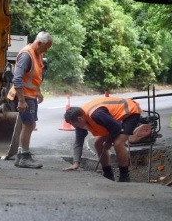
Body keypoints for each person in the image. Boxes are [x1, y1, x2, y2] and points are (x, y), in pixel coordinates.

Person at [62, 96, 143, 182]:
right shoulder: (81, 119)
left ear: (79, 119)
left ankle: (124, 176)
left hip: (130, 112)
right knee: (98, 143)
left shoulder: (96, 115)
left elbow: (117, 128)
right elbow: (78, 142)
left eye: (74, 124)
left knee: (118, 143)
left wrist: (108, 142)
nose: (75, 127)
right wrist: (76, 162)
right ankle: (108, 174)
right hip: (113, 121)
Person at [11, 31, 52, 168]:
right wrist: (21, 100)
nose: (45, 51)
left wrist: (38, 92)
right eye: (45, 48)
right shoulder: (26, 56)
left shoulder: (38, 54)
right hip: (25, 96)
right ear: (39, 43)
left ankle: (20, 156)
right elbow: (17, 79)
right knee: (29, 125)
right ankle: (25, 157)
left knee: (27, 125)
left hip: (31, 95)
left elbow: (36, 76)